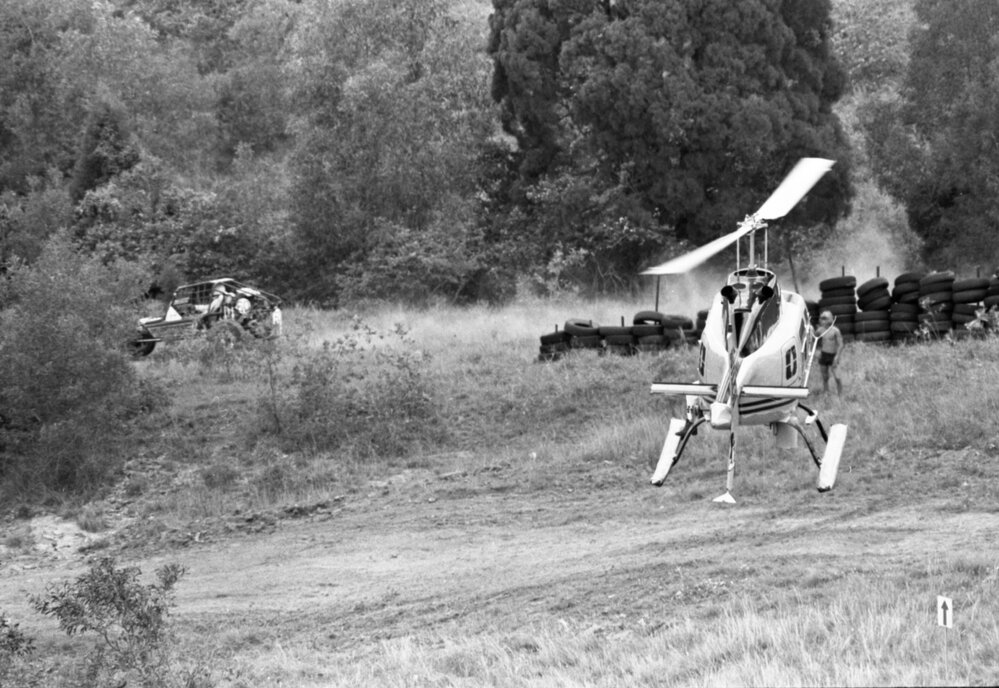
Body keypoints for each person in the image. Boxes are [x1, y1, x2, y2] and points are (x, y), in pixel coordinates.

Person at [815, 310, 843, 395]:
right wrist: (817, 351)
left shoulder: (835, 331)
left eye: (825, 318)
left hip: (833, 355)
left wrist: (837, 356)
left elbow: (841, 344)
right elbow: (814, 340)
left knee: (837, 377)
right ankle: (826, 393)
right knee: (825, 377)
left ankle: (840, 395)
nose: (823, 320)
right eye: (822, 318)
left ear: (831, 319)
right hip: (823, 355)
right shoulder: (820, 330)